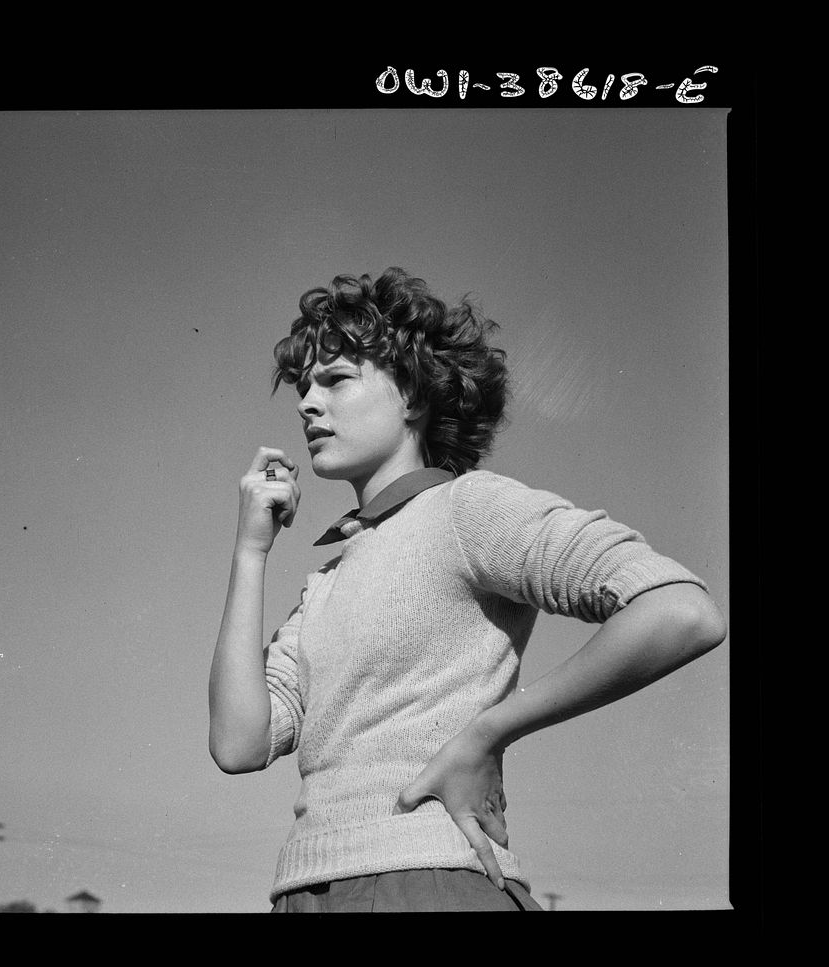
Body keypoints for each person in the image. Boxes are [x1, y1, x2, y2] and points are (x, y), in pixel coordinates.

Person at [208, 267, 726, 913]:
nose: (307, 402)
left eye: (336, 380)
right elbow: (238, 743)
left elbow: (680, 610)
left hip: (427, 882)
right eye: (304, 386)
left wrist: (489, 733)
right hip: (303, 894)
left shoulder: (466, 509)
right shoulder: (326, 581)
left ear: (414, 396)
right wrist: (250, 550)